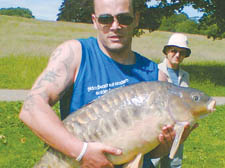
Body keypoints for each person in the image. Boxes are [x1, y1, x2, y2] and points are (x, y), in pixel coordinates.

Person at [19, 0, 193, 167]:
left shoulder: (156, 76)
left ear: (136, 19)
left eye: (124, 18)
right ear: (95, 21)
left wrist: (167, 143)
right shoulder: (75, 54)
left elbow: (152, 153)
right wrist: (82, 152)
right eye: (105, 19)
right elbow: (32, 108)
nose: (115, 26)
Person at [153, 33, 198, 168]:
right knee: (152, 163)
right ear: (167, 51)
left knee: (174, 164)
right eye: (174, 51)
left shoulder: (185, 76)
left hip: (178, 130)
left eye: (182, 53)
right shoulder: (154, 71)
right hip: (159, 130)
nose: (178, 55)